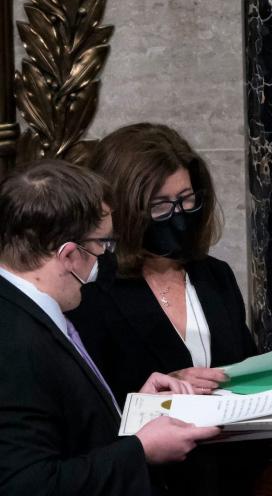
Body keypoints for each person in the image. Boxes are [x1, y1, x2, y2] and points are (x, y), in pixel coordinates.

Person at [0, 159, 219, 496]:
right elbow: (28, 484)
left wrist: (132, 411)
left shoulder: (28, 311)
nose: (104, 259)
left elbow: (70, 428)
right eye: (102, 245)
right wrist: (140, 451)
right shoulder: (15, 341)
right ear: (69, 255)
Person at [69, 122, 272, 401]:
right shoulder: (90, 290)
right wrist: (167, 389)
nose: (178, 215)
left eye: (186, 200)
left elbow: (240, 372)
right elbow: (86, 407)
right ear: (122, 209)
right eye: (160, 205)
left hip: (234, 442)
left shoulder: (214, 275)